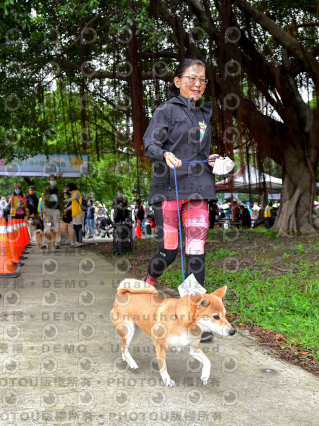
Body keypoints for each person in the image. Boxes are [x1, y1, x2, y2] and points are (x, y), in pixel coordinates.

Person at [142, 58, 220, 342]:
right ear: (178, 81)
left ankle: (195, 318)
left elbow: (200, 152)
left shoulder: (203, 115)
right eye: (192, 78)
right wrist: (163, 154)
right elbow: (150, 143)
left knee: (196, 253)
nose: (198, 84)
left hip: (199, 187)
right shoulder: (166, 111)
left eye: (202, 80)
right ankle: (147, 284)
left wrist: (211, 159)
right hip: (170, 187)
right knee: (170, 252)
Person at [42, 175, 64, 243]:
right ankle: (45, 242)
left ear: (56, 181)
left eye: (54, 180)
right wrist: (44, 208)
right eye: (51, 180)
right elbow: (43, 200)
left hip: (56, 211)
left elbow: (61, 201)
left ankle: (57, 242)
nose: (53, 181)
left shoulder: (59, 191)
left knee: (57, 226)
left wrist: (62, 211)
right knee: (47, 226)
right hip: (47, 210)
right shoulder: (45, 190)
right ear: (48, 181)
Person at [64, 182, 85, 247]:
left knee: (78, 227)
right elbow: (73, 204)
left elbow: (73, 198)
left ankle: (80, 242)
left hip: (79, 212)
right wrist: (67, 209)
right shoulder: (73, 193)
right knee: (75, 227)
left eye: (67, 187)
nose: (67, 189)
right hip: (75, 213)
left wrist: (65, 200)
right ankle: (78, 241)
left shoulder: (76, 192)